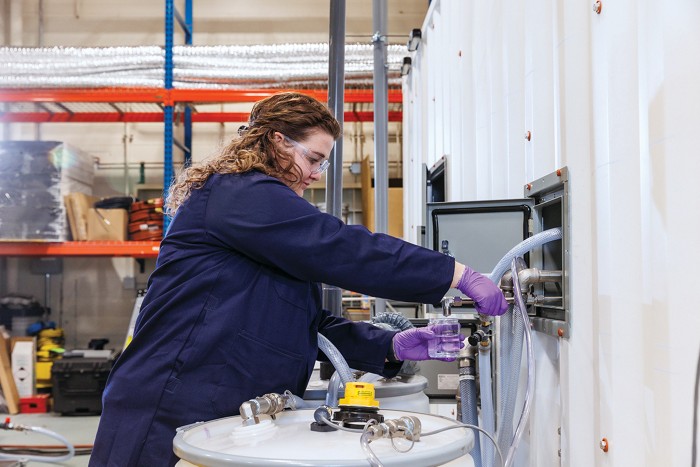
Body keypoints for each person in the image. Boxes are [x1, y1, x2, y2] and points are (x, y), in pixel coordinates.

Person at [89, 92, 508, 466]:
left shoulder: (266, 221)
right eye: (312, 158)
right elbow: (343, 247)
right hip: (169, 402)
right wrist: (454, 273)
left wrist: (388, 345)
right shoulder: (240, 194)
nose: (315, 174)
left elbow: (304, 322)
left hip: (220, 406)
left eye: (323, 164)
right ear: (275, 141)